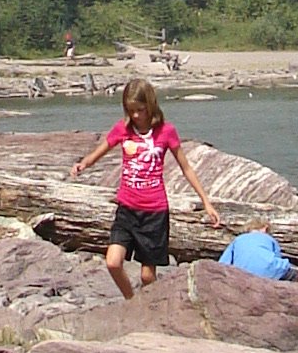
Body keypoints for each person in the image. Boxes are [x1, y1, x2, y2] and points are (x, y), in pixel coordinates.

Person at [69, 78, 224, 296]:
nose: (135, 116)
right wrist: (83, 163)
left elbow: (186, 168)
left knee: (147, 276)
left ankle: (150, 305)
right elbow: (101, 150)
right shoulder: (123, 129)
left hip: (154, 212)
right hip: (127, 208)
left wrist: (207, 203)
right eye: (131, 110)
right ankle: (132, 301)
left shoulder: (166, 131)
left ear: (150, 105)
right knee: (113, 262)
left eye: (140, 110)